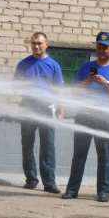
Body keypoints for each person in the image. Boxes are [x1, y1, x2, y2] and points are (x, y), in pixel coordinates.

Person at [62, 32, 109, 202]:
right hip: (84, 115)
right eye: (99, 47)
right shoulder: (86, 67)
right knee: (79, 154)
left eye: (105, 48)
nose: (101, 50)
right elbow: (74, 92)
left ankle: (104, 192)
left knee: (105, 156)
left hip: (105, 118)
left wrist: (106, 83)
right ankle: (72, 190)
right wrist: (88, 82)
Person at [14, 33, 65, 193]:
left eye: (39, 43)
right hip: (27, 108)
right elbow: (14, 86)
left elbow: (59, 90)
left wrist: (61, 109)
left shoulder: (53, 65)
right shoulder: (23, 64)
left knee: (48, 146)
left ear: (46, 45)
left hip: (47, 110)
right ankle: (31, 179)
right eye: (34, 43)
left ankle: (49, 182)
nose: (36, 46)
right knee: (27, 145)